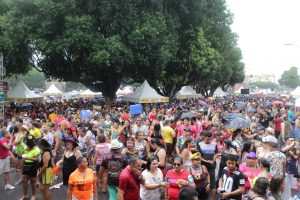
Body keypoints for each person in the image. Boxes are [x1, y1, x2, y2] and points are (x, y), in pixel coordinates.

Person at [197, 131, 218, 200]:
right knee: (202, 182)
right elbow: (199, 156)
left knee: (213, 184)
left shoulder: (214, 144)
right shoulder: (200, 144)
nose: (208, 141)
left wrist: (213, 160)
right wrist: (206, 161)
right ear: (204, 138)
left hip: (211, 166)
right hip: (203, 166)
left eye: (210, 139)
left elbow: (216, 153)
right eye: (207, 139)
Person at [20, 135, 41, 200]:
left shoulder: (36, 149)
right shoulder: (26, 147)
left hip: (33, 165)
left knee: (33, 180)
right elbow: (22, 154)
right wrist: (23, 152)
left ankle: (33, 195)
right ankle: (25, 195)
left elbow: (37, 159)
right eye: (28, 142)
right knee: (24, 180)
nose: (28, 144)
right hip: (26, 164)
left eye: (30, 143)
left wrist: (27, 157)